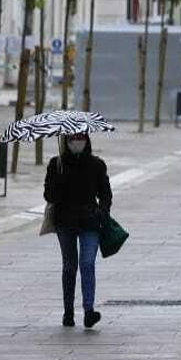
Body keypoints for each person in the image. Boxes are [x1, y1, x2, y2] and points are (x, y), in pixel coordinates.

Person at [44, 133, 112, 329]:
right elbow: (49, 195)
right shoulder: (56, 164)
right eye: (73, 138)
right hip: (65, 222)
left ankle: (89, 311)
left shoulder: (96, 164)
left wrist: (102, 212)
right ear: (66, 141)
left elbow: (105, 193)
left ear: (87, 140)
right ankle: (68, 311)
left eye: (81, 137)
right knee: (69, 266)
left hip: (90, 222)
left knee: (87, 263)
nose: (77, 142)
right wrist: (60, 177)